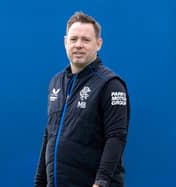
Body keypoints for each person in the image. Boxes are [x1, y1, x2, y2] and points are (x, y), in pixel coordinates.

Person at [34, 11, 130, 187]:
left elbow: (116, 137)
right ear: (65, 42)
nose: (78, 45)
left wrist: (101, 182)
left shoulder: (110, 84)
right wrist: (39, 183)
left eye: (85, 40)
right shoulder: (56, 82)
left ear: (98, 44)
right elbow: (49, 135)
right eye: (73, 39)